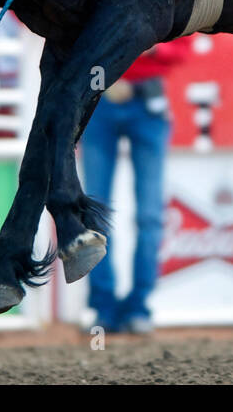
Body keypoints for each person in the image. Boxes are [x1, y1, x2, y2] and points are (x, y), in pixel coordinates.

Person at [80, 39, 192, 334]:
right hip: (108, 97)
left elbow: (185, 43)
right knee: (97, 210)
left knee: (147, 214)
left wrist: (151, 47)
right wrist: (150, 44)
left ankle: (131, 306)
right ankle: (115, 308)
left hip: (126, 95)